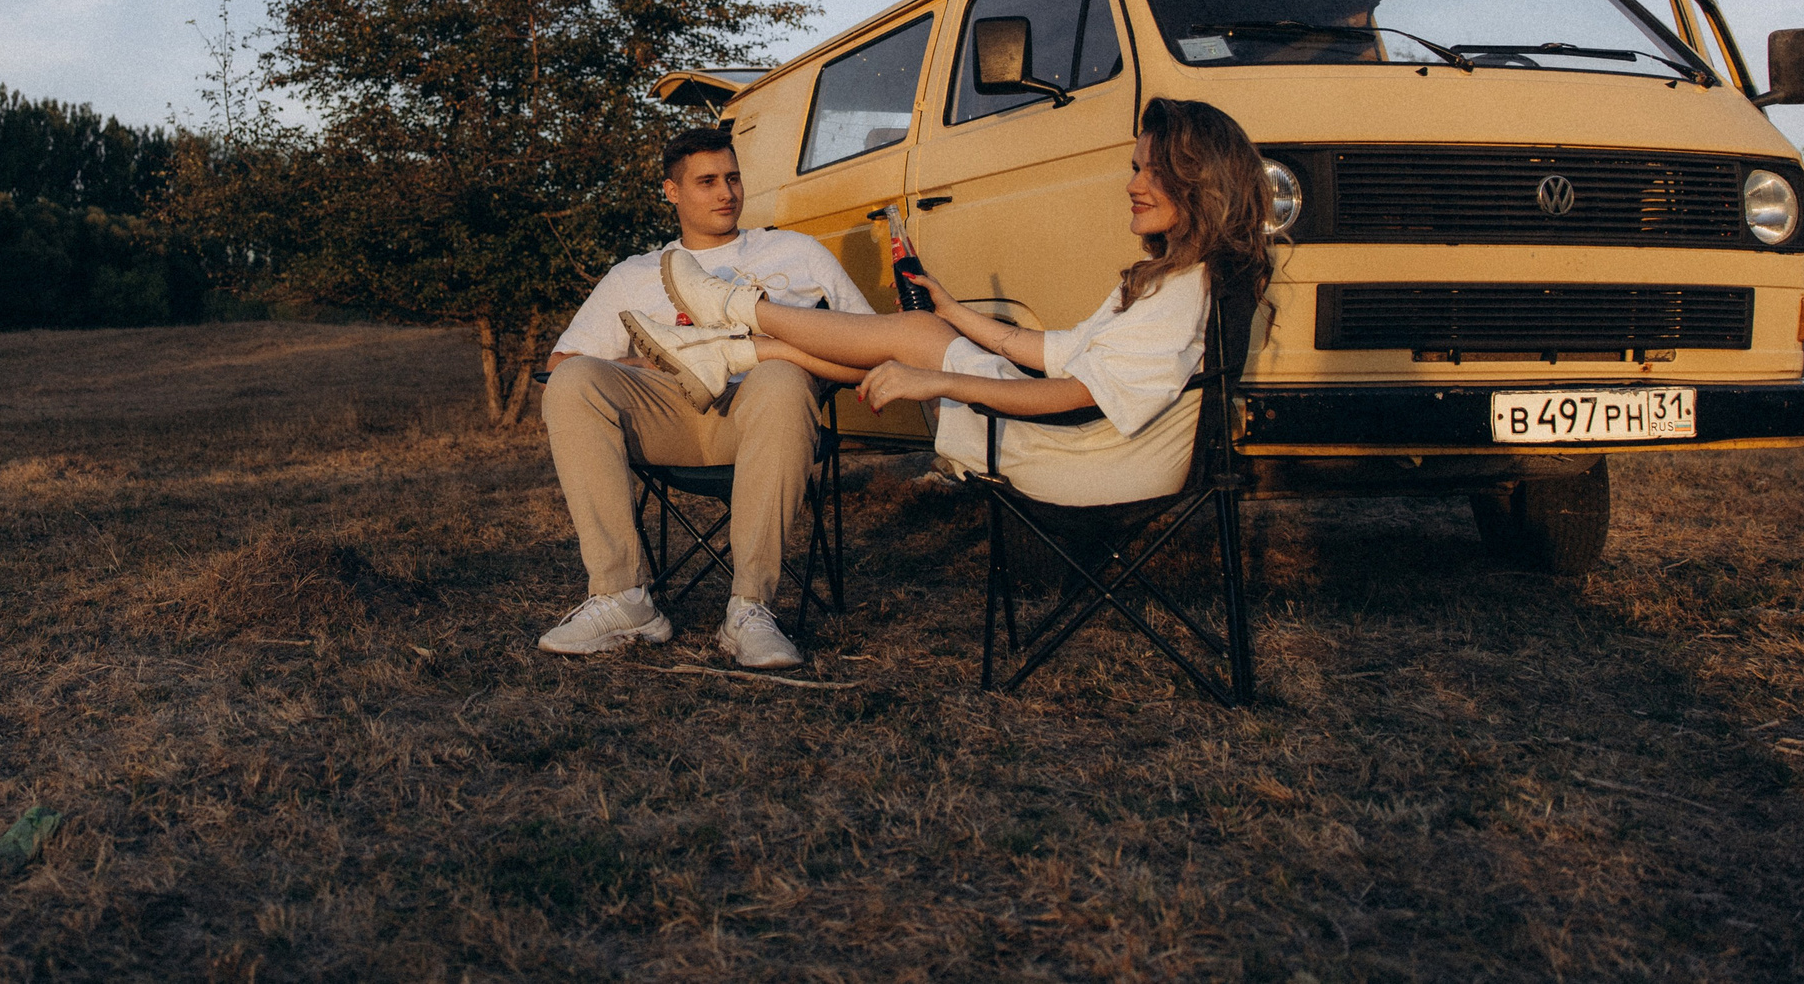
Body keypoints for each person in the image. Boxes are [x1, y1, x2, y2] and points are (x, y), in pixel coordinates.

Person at [633, 98, 1271, 508]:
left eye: (1149, 171)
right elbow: (1052, 352)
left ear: (1197, 181)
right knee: (913, 327)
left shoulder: (1187, 291)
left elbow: (1070, 394)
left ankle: (730, 319)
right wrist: (951, 310)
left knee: (909, 342)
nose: (1131, 185)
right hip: (1076, 442)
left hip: (1078, 458)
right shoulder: (1181, 278)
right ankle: (731, 341)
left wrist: (934, 381)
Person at [538, 123, 874, 670]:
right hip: (668, 416)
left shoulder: (794, 251)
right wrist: (655, 359)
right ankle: (624, 598)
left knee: (782, 379)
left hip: (760, 414)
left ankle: (749, 609)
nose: (726, 193)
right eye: (708, 181)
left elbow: (866, 336)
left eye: (734, 178)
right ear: (672, 192)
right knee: (573, 382)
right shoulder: (635, 273)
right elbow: (561, 361)